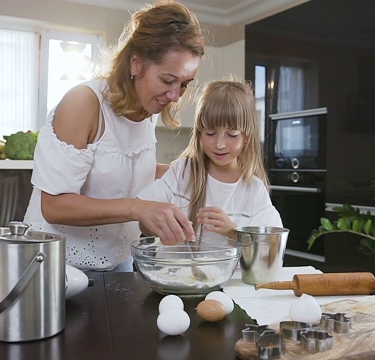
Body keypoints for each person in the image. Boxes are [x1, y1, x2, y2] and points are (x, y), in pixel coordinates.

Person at [23, 0, 205, 272]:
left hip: (118, 261)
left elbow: (115, 170)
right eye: (168, 81)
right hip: (55, 265)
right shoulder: (84, 102)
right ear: (136, 64)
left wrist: (177, 174)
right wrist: (138, 208)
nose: (175, 96)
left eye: (184, 85)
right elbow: (54, 206)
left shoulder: (147, 107)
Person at [138, 79, 283, 243]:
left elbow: (271, 248)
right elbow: (143, 223)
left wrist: (233, 232)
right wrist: (161, 226)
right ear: (199, 133)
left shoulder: (254, 190)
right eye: (210, 133)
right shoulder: (183, 171)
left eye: (232, 135)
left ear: (247, 137)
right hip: (176, 269)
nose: (220, 144)